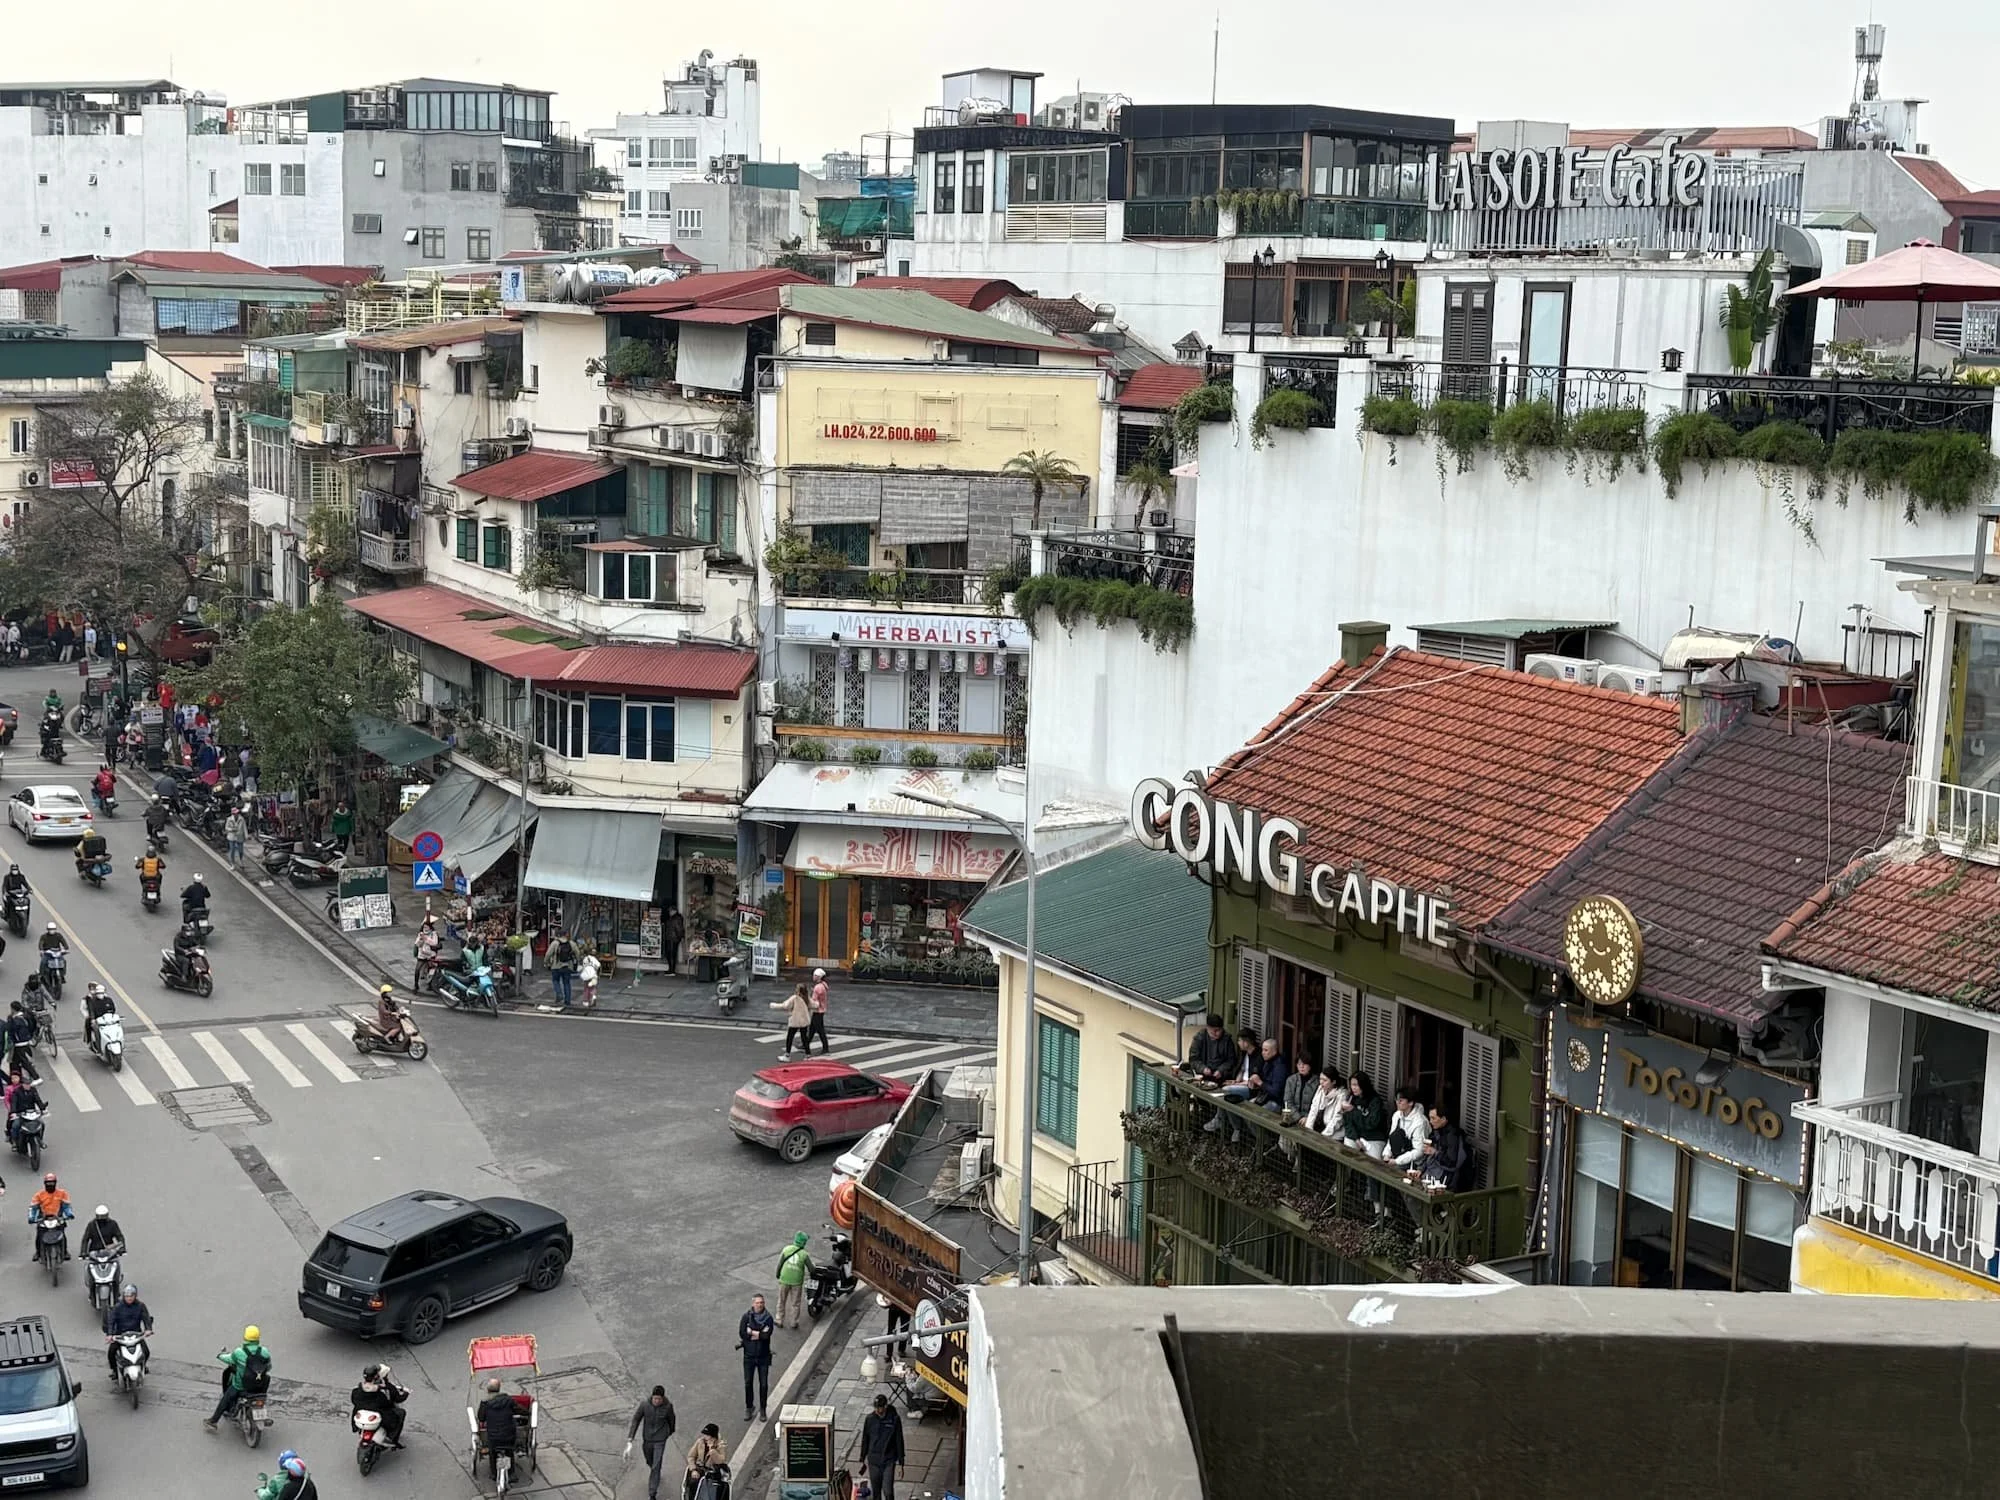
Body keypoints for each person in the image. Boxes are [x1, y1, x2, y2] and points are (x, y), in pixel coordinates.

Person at [204, 1325, 271, 1430]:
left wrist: (220, 1355)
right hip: (259, 1388)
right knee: (267, 1378)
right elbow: (269, 1367)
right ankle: (263, 1411)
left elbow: (229, 1359)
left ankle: (213, 1421)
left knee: (226, 1398)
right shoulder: (265, 1352)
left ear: (245, 1337)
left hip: (241, 1387)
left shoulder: (239, 1352)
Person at [624, 1385, 678, 1500]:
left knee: (656, 1466)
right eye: (654, 1399)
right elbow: (636, 1419)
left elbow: (672, 1420)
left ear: (662, 1398)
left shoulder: (668, 1407)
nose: (656, 1401)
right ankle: (655, 1472)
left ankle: (652, 1493)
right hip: (647, 1439)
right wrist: (630, 1438)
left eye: (659, 1399)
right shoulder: (645, 1405)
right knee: (650, 1461)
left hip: (660, 1440)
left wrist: (669, 1432)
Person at [1417, 1103, 1478, 1192]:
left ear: (1443, 1119)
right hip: (1430, 1172)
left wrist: (1435, 1152)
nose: (1430, 1121)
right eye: (1430, 1118)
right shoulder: (1435, 1132)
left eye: (1433, 1118)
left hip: (1445, 1178)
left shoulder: (1452, 1136)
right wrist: (1421, 1169)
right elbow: (1428, 1156)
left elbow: (1451, 1161)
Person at [351, 1363, 408, 1448]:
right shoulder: (383, 1391)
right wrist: (406, 1393)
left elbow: (354, 1401)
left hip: (360, 1415)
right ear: (376, 1376)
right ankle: (394, 1440)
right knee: (401, 1413)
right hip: (380, 1414)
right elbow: (392, 1401)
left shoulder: (356, 1390)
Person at [860, 1393, 906, 1500]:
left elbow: (899, 1440)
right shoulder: (870, 1419)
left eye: (879, 1407)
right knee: (876, 1493)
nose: (877, 1410)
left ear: (885, 1406)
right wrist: (862, 1457)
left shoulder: (894, 1419)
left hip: (888, 1460)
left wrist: (901, 1462)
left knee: (888, 1491)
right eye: (876, 1407)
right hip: (874, 1460)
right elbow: (865, 1439)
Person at [738, 1293, 775, 1421]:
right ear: (753, 1304)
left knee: (763, 1384)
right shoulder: (746, 1317)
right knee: (748, 1383)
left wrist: (752, 1333)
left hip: (763, 1357)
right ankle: (749, 1407)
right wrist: (758, 1334)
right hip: (749, 1356)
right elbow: (742, 1333)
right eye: (757, 1302)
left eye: (762, 1303)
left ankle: (763, 1408)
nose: (760, 1305)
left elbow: (766, 1336)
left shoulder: (768, 1318)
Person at [104, 1283, 152, 1376]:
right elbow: (111, 1321)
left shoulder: (141, 1306)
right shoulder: (118, 1307)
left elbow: (146, 1318)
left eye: (131, 1296)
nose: (129, 1298)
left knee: (146, 1352)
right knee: (111, 1352)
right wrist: (110, 1334)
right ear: (123, 1296)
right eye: (127, 1296)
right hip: (120, 1335)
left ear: (135, 1296)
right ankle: (114, 1370)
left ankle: (143, 1366)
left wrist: (148, 1329)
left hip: (136, 1334)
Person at [476, 1376, 520, 1479]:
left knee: (492, 1451)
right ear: (499, 1388)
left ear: (488, 1390)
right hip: (509, 1434)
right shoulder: (508, 1400)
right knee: (509, 1450)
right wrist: (528, 1413)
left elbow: (481, 1418)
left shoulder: (485, 1403)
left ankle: (494, 1473)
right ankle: (512, 1473)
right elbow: (518, 1409)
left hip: (493, 1437)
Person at [1340, 1071, 1390, 1158]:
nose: (1353, 1088)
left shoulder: (1375, 1101)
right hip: (1357, 1136)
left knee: (1374, 1162)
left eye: (1356, 1085)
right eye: (1352, 1085)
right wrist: (1356, 1139)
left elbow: (1371, 1124)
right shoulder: (1351, 1098)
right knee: (1347, 1151)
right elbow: (1348, 1123)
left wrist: (1353, 1110)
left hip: (1373, 1138)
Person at [1386, 1087, 1433, 1171]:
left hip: (1416, 1163)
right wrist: (1386, 1154)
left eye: (1400, 1100)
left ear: (1410, 1103)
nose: (1397, 1103)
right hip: (1398, 1155)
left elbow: (1419, 1151)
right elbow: (1391, 1137)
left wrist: (1397, 1161)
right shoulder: (1396, 1115)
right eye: (1396, 1100)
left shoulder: (1420, 1121)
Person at [29, 1172, 71, 1261]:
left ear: (55, 1183)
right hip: (43, 1219)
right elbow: (33, 1208)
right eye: (48, 1183)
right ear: (45, 1184)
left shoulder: (62, 1193)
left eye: (52, 1183)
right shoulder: (39, 1195)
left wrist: (69, 1214)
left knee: (62, 1235)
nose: (50, 1185)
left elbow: (66, 1206)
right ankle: (38, 1252)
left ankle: (65, 1252)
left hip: (58, 1218)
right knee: (39, 1236)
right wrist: (32, 1218)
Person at [775, 1231, 812, 1330]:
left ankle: (779, 1320)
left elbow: (780, 1263)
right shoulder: (804, 1254)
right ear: (803, 1243)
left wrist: (778, 1274)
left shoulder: (786, 1249)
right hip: (797, 1281)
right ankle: (793, 1322)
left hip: (784, 1279)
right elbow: (811, 1268)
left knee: (781, 1300)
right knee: (795, 1303)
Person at [1186, 1013, 1234, 1084]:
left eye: (1219, 1030)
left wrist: (1221, 1070)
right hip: (1201, 1075)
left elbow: (1231, 1060)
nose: (1216, 1033)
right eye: (1214, 1031)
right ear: (1207, 1028)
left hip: (1221, 1076)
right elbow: (1193, 1059)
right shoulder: (1199, 1038)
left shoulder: (1227, 1040)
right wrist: (1203, 1069)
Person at [684, 1423, 728, 1500]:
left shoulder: (720, 1445)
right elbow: (691, 1456)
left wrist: (712, 1450)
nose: (704, 1437)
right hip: (700, 1469)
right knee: (693, 1484)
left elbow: (720, 1461)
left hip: (713, 1473)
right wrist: (693, 1469)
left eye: (707, 1435)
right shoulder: (700, 1442)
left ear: (713, 1437)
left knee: (712, 1491)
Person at [1249, 1037, 1289, 1111]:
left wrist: (1260, 1083)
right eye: (1262, 1050)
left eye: (1266, 1050)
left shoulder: (1280, 1067)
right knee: (1247, 1107)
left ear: (1274, 1051)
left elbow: (1276, 1092)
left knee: (1256, 1112)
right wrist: (1255, 1084)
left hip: (1276, 1102)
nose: (1262, 1053)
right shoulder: (1267, 1061)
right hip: (1263, 1096)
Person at [6, 1072, 44, 1148]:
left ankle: (40, 1140)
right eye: (26, 1084)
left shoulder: (33, 1090)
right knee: (15, 1126)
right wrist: (13, 1112)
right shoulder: (16, 1092)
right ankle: (14, 1141)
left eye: (29, 1084)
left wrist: (43, 1108)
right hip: (20, 1114)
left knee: (42, 1124)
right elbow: (14, 1102)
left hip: (31, 1114)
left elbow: (38, 1100)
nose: (28, 1086)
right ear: (22, 1084)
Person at [771, 985, 811, 1057]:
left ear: (798, 991)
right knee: (804, 1037)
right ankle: (808, 1054)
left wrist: (774, 1005)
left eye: (796, 988)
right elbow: (815, 1005)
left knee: (790, 1037)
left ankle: (787, 1055)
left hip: (795, 1020)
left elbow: (785, 1005)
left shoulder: (794, 998)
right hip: (804, 1021)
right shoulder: (807, 998)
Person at [544, 933, 577, 1012]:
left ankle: (559, 994)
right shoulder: (571, 943)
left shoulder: (555, 943)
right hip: (567, 966)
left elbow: (548, 954)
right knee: (567, 983)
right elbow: (577, 953)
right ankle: (567, 1001)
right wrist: (576, 963)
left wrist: (546, 962)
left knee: (555, 981)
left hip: (556, 966)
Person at [1280, 1053, 1317, 1119]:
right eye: (1299, 1064)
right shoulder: (1291, 1080)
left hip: (1309, 1119)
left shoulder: (1317, 1082)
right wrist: (1298, 1117)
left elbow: (1317, 1106)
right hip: (1291, 1116)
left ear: (1310, 1066)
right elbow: (1288, 1101)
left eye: (1304, 1064)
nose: (1301, 1066)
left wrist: (1307, 1118)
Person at [81, 984, 116, 1053]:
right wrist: (92, 1019)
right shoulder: (90, 1000)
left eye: (101, 993)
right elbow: (90, 1011)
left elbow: (113, 1009)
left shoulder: (108, 999)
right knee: (96, 1030)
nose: (100, 994)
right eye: (98, 993)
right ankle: (98, 1047)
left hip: (107, 1020)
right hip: (97, 1021)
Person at [806, 966, 831, 1054]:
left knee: (820, 1030)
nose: (813, 977)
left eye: (815, 975)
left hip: (818, 1010)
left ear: (818, 977)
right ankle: (806, 1043)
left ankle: (825, 1048)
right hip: (821, 1009)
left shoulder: (818, 987)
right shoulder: (823, 985)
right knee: (812, 1028)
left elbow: (814, 1000)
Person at [223, 804, 248, 869]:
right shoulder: (229, 819)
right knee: (232, 851)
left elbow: (244, 827)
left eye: (236, 813)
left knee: (240, 851)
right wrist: (231, 829)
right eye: (234, 813)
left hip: (240, 836)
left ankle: (241, 861)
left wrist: (246, 836)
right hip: (232, 837)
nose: (236, 814)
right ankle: (233, 863)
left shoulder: (241, 819)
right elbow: (226, 828)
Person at [664, 905, 686, 976]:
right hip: (672, 937)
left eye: (671, 911)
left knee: (671, 954)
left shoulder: (676, 919)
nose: (669, 912)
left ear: (674, 911)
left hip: (673, 938)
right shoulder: (675, 918)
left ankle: (672, 970)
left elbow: (679, 929)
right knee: (670, 954)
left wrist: (680, 937)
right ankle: (671, 969)